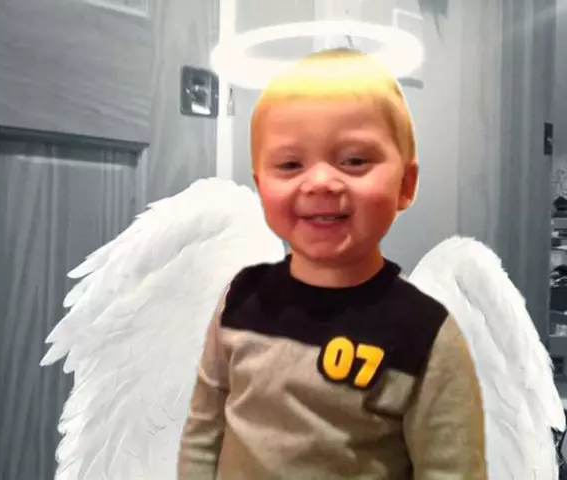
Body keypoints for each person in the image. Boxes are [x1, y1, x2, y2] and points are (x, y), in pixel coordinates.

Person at [177, 48, 487, 479]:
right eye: (290, 164)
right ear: (261, 187)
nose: (321, 181)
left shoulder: (426, 335)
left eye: (355, 160)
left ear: (406, 184)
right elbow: (203, 430)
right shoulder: (240, 298)